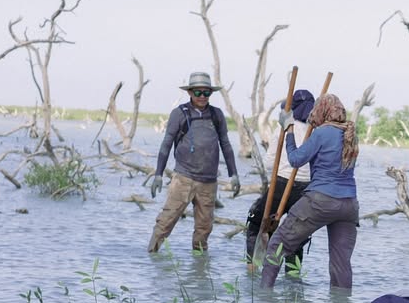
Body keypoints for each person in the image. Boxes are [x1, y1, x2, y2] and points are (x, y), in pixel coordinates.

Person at [260, 93, 358, 289]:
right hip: (349, 206)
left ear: (321, 111)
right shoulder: (351, 135)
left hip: (320, 200)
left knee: (276, 245)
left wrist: (289, 130)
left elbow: (296, 159)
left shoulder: (322, 133)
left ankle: (263, 300)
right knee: (341, 265)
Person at [147, 71, 240, 253]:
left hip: (209, 182)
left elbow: (226, 145)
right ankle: (152, 254)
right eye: (198, 92)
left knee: (203, 230)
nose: (202, 97)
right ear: (190, 93)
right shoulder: (179, 114)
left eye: (207, 93)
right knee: (166, 222)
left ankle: (199, 273)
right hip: (183, 179)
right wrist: (158, 174)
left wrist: (234, 174)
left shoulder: (216, 115)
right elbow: (166, 144)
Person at [244, 89, 315, 268]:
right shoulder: (316, 131)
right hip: (306, 189)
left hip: (282, 183)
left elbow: (269, 162)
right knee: (297, 232)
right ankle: (293, 275)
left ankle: (253, 266)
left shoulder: (284, 127)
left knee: (256, 221)